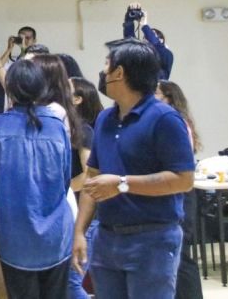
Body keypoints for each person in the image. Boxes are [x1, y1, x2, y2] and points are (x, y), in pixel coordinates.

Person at [72, 38, 195, 299]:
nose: (103, 72)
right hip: (106, 238)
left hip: (152, 239)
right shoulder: (105, 118)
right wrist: (80, 232)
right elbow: (92, 180)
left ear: (119, 73)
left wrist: (122, 183)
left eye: (107, 65)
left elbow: (183, 180)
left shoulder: (165, 119)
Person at [0, 59, 73, 298]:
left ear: (10, 89)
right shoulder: (57, 125)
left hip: (16, 237)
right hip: (57, 235)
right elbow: (64, 180)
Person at [156, 81, 203, 299]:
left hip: (182, 194)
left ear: (169, 98)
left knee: (182, 255)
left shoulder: (175, 122)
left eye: (156, 93)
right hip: (174, 194)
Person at [67, 77, 100, 299]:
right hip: (76, 214)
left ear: (78, 99)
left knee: (71, 284)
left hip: (85, 217)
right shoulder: (70, 127)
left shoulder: (84, 131)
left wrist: (62, 186)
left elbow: (89, 174)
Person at [122, 3, 173, 80]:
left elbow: (157, 46)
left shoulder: (167, 54)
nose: (147, 39)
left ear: (161, 40)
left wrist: (145, 25)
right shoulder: (140, 56)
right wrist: (129, 21)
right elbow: (130, 41)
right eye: (145, 37)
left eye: (151, 35)